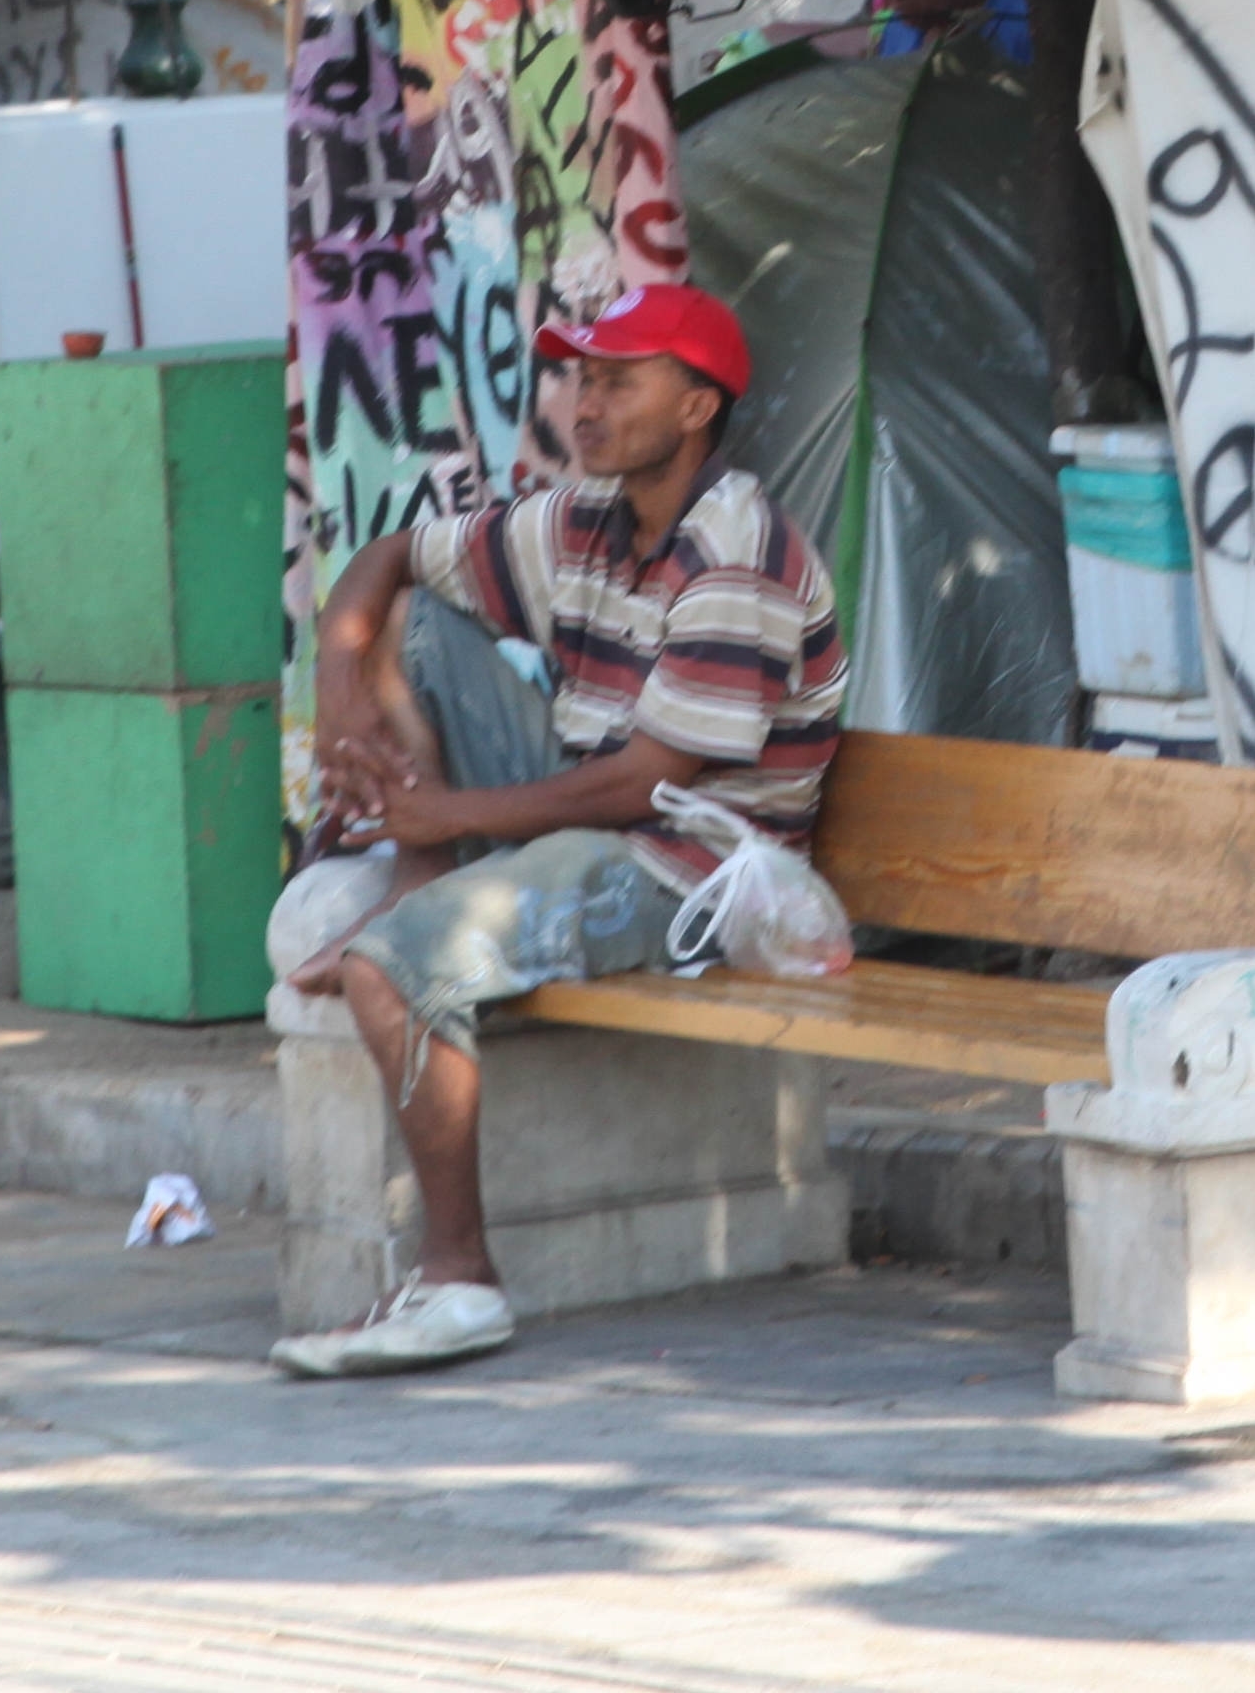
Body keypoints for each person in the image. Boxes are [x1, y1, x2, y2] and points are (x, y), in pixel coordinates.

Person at [267, 280, 843, 1379]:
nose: (585, 403)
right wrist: (340, 683)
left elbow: (646, 785)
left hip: (692, 871)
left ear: (695, 407)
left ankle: (458, 1281)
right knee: (414, 620)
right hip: (590, 813)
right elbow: (388, 560)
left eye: (619, 380)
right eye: (579, 377)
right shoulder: (585, 519)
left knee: (398, 971)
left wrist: (446, 811)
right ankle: (416, 883)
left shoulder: (738, 549)